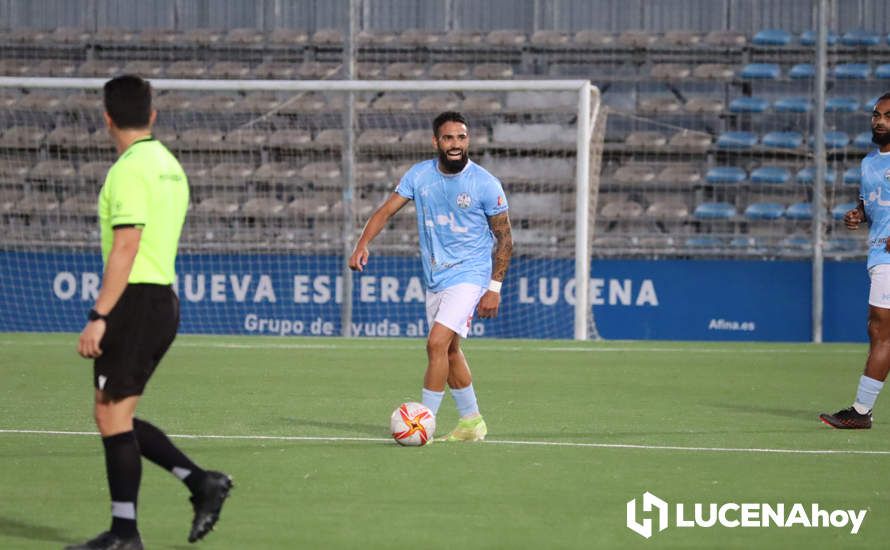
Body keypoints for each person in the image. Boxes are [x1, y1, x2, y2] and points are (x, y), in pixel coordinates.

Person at [67, 75, 232, 550]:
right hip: (160, 298)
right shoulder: (169, 165)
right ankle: (200, 484)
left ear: (107, 118)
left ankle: (126, 534)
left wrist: (100, 314)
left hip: (135, 301)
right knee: (112, 415)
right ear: (152, 115)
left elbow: (127, 243)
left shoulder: (129, 169)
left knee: (113, 417)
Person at [348, 111, 513, 442]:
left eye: (462, 138)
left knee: (436, 343)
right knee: (450, 352)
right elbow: (384, 211)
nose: (456, 144)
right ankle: (471, 421)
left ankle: (422, 422)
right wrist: (362, 244)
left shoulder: (485, 183)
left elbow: (505, 238)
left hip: (471, 274)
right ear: (436, 141)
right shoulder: (419, 175)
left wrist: (494, 288)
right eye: (449, 138)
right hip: (437, 277)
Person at [820, 92, 890, 430]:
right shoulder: (869, 163)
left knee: (881, 331)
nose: (880, 121)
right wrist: (856, 215)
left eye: (888, 116)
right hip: (878, 253)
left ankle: (861, 412)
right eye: (876, 114)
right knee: (877, 330)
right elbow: (870, 205)